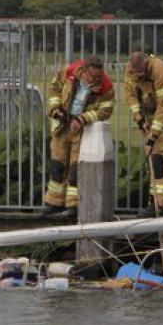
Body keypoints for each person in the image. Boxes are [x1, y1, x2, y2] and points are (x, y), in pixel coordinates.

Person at [42, 56, 115, 218]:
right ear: (84, 71)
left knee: (76, 168)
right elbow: (54, 88)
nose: (95, 80)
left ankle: (74, 205)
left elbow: (105, 111)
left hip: (82, 130)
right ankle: (54, 202)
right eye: (92, 77)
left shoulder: (107, 87)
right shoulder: (69, 72)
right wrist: (55, 108)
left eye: (98, 77)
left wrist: (83, 119)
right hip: (62, 126)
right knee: (57, 165)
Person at [123, 51, 163, 218]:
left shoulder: (160, 71)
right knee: (154, 157)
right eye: (136, 75)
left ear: (146, 64)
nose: (139, 77)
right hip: (149, 112)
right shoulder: (130, 70)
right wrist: (139, 119)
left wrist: (152, 138)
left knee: (159, 156)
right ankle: (155, 200)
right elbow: (130, 95)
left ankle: (160, 205)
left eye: (141, 74)